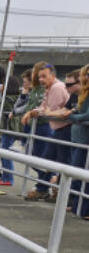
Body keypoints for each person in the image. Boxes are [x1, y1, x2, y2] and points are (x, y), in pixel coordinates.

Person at [23, 63, 71, 202]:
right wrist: (33, 111)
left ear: (53, 76)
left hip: (64, 130)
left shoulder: (56, 88)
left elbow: (50, 110)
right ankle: (45, 189)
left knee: (59, 163)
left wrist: (34, 112)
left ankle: (50, 190)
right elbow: (44, 107)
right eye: (40, 77)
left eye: (44, 76)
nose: (41, 80)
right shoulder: (50, 88)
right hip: (58, 130)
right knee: (48, 161)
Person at [48, 64, 89, 220]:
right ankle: (77, 205)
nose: (84, 78)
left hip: (83, 139)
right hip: (77, 138)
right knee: (76, 174)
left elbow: (85, 115)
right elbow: (80, 111)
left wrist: (71, 117)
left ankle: (83, 208)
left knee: (80, 174)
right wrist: (72, 113)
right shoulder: (83, 94)